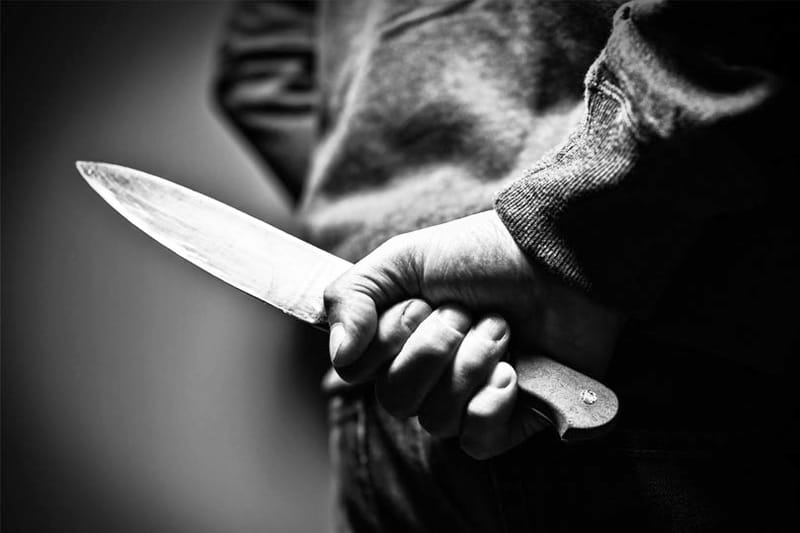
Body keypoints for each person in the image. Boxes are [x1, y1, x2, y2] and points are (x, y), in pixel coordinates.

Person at [215, 1, 799, 530]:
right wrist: (569, 224)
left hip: (608, 363)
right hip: (497, 368)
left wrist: (395, 222)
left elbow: (260, 66)